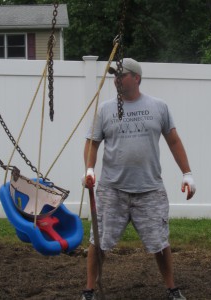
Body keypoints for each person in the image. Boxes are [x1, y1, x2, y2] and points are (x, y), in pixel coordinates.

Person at [81, 58, 196, 300]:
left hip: (150, 189)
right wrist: (89, 169)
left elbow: (173, 141)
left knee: (160, 242)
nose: (116, 80)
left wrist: (187, 173)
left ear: (136, 78)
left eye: (121, 75)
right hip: (112, 189)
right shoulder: (105, 109)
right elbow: (92, 143)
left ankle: (172, 289)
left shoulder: (158, 107)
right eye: (114, 76)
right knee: (98, 240)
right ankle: (89, 291)